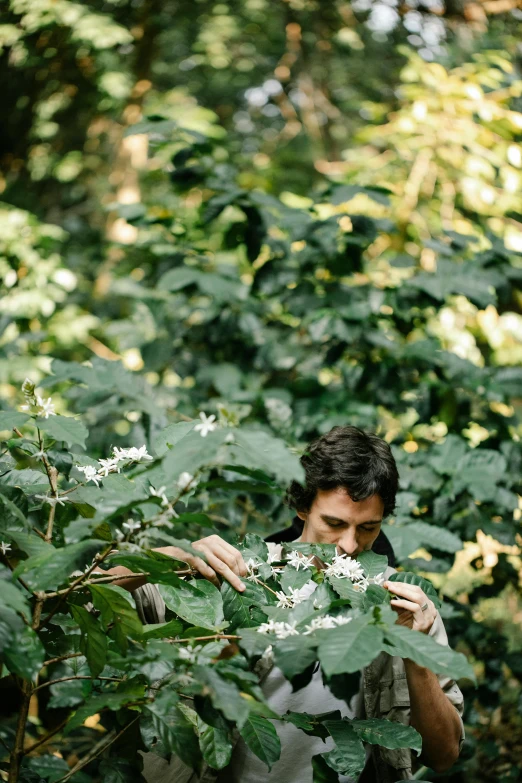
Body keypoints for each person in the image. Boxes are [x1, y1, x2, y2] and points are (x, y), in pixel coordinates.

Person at [104, 425, 465, 783]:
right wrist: (171, 557)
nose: (351, 544)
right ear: (302, 507)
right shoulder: (236, 573)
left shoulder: (404, 604)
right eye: (334, 523)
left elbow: (444, 754)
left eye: (368, 528)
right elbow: (90, 592)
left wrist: (416, 656)